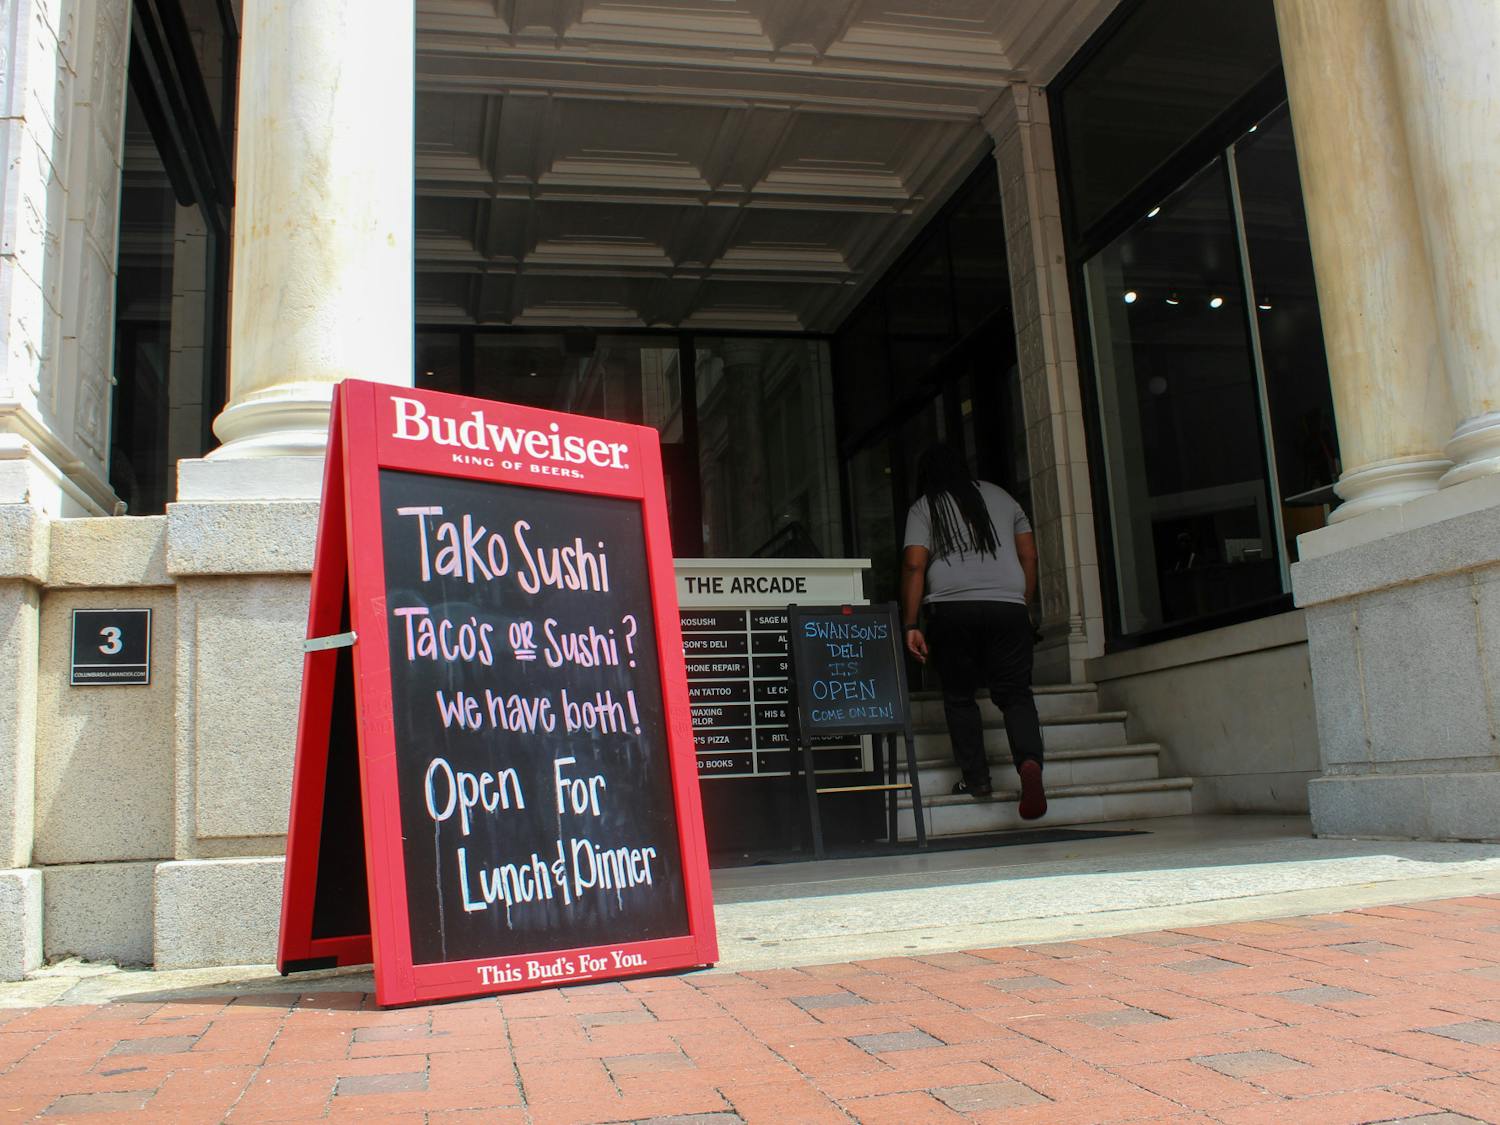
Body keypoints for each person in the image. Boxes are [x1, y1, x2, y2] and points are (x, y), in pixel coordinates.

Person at [900, 444, 1046, 820]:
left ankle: (977, 779)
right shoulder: (1003, 498)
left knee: (960, 695)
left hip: (952, 608)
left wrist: (911, 623)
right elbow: (1029, 555)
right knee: (1015, 693)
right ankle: (1029, 763)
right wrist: (1023, 602)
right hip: (1008, 607)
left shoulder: (924, 506)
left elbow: (915, 566)